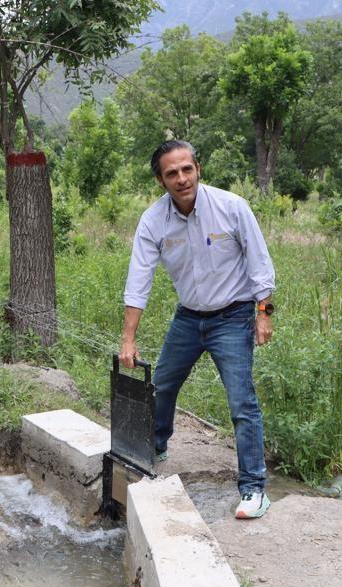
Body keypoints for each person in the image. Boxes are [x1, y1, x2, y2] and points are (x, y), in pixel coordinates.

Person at [118, 140, 275, 519]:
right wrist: (128, 337)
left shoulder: (231, 207)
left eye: (186, 169)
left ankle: (254, 489)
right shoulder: (153, 221)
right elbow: (139, 279)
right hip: (188, 317)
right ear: (161, 180)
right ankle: (154, 448)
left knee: (241, 400)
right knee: (163, 384)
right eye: (171, 173)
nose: (181, 178)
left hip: (234, 315)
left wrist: (264, 312)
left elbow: (260, 263)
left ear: (197, 168)